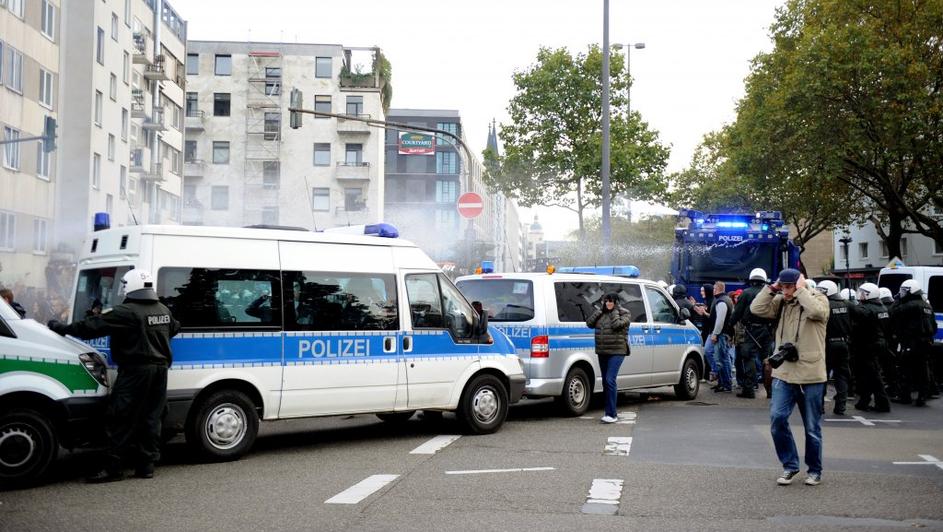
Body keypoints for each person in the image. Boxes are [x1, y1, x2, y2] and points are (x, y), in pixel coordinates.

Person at [48, 269, 179, 483]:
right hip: (160, 370)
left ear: (131, 286)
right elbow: (174, 328)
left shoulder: (126, 311)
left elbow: (91, 327)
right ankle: (146, 466)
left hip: (136, 371)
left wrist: (60, 327)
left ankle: (113, 468)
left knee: (120, 417)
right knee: (151, 417)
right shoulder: (162, 308)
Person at [750, 268, 829, 486]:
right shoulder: (781, 302)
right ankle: (790, 465)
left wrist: (801, 290)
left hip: (811, 375)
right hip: (784, 373)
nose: (784, 291)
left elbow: (817, 313)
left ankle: (814, 470)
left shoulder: (818, 298)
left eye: (788, 286)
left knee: (812, 428)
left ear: (799, 284)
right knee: (777, 419)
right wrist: (772, 288)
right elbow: (756, 308)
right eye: (782, 286)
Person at [890, 280, 937, 406]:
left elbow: (893, 313)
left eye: (904, 291)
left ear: (911, 291)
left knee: (905, 369)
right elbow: (934, 326)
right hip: (926, 342)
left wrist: (897, 300)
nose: (902, 293)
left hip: (911, 342)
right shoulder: (927, 306)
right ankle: (922, 397)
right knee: (923, 369)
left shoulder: (910, 305)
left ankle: (905, 396)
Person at [586, 293, 631, 424]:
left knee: (610, 379)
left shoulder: (625, 313)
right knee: (606, 382)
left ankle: (612, 414)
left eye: (611, 301)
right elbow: (589, 323)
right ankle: (608, 413)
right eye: (606, 301)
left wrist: (615, 311)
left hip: (617, 351)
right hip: (603, 351)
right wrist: (600, 310)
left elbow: (617, 325)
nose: (608, 303)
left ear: (616, 302)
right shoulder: (601, 312)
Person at [731, 268, 774, 399]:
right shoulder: (771, 293)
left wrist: (729, 325)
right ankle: (770, 391)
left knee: (748, 357)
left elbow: (737, 313)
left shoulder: (746, 293)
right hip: (768, 330)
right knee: (767, 360)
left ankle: (749, 390)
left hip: (751, 330)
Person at [848, 283, 892, 413]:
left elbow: (857, 315)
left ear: (868, 294)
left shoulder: (867, 309)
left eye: (862, 292)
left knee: (873, 376)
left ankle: (883, 404)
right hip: (879, 344)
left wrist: (845, 302)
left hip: (868, 346)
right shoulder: (882, 308)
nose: (859, 295)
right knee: (867, 375)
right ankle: (864, 401)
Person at [816, 281, 852, 415]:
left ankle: (819, 406)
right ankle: (841, 407)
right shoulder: (847, 305)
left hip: (827, 345)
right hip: (843, 343)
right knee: (841, 375)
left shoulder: (824, 305)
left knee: (822, 376)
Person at [709, 282, 734, 393]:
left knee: (722, 360)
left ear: (717, 289)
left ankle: (725, 384)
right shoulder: (726, 299)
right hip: (724, 334)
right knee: (723, 359)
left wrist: (715, 333)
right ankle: (723, 383)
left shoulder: (721, 301)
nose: (713, 290)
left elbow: (720, 321)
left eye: (714, 288)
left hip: (721, 335)